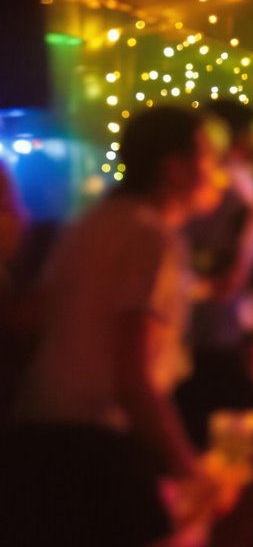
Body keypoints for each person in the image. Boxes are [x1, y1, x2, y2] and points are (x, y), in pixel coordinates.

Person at [3, 106, 221, 545]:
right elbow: (132, 377)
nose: (217, 173)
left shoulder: (89, 224)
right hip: (97, 447)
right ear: (174, 167)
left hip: (41, 439)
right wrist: (189, 468)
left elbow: (35, 317)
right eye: (209, 158)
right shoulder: (149, 237)